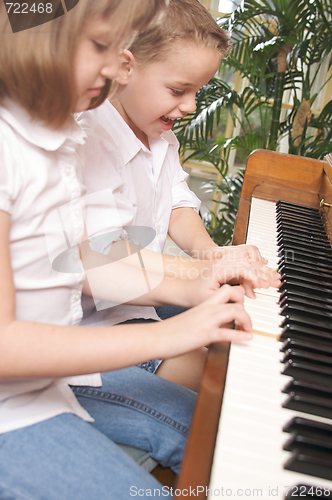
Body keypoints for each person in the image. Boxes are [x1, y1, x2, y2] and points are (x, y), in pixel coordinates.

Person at [0, 1, 254, 498]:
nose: (121, 66)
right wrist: (175, 332)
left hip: (48, 380)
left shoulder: (57, 135)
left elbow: (76, 259)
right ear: (34, 37)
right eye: (102, 45)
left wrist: (196, 278)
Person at [77, 0, 281, 390]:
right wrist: (197, 275)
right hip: (93, 320)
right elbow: (105, 254)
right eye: (178, 90)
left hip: (137, 300)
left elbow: (177, 203)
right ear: (126, 67)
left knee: (236, 325)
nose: (189, 106)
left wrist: (210, 253)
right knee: (209, 377)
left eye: (197, 92)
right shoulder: (94, 136)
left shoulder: (161, 137)